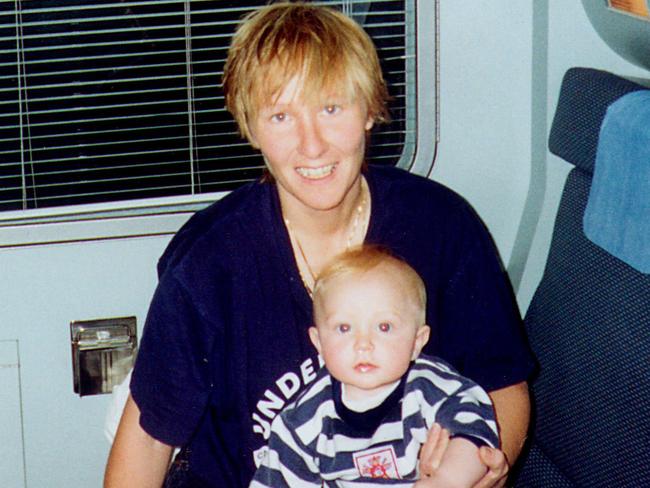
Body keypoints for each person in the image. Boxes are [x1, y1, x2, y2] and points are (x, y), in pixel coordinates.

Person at [104, 2, 534, 487]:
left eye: (332, 108)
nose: (312, 146)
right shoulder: (208, 263)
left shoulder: (443, 226)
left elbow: (505, 386)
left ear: (370, 109)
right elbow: (147, 440)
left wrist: (488, 467)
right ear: (251, 128)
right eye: (281, 116)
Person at [250, 246, 499, 487]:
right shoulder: (302, 421)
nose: (363, 344)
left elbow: (474, 433)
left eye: (384, 327)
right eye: (344, 328)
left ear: (417, 341)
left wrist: (448, 480)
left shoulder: (431, 388)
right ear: (319, 343)